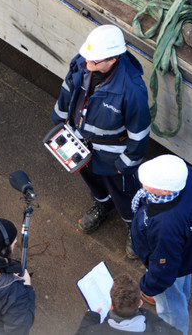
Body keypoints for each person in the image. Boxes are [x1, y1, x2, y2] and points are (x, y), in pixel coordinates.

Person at [50, 25, 151, 257]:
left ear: (114, 59)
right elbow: (68, 91)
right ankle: (102, 205)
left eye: (95, 62)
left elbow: (139, 132)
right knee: (92, 180)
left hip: (113, 156)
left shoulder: (131, 89)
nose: (88, 65)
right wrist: (59, 120)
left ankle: (134, 227)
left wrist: (127, 162)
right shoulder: (83, 61)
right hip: (80, 144)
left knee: (125, 194)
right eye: (88, 59)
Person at [130, 155, 192, 335]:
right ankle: (182, 298)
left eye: (148, 183)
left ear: (164, 191)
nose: (142, 185)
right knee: (182, 279)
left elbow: (163, 271)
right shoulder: (190, 177)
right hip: (188, 252)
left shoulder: (165, 225)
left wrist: (147, 286)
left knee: (170, 306)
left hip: (170, 264)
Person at [76, 273, 180, 334]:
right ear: (140, 303)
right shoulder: (161, 329)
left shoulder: (91, 332)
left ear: (111, 306)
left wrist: (90, 319)